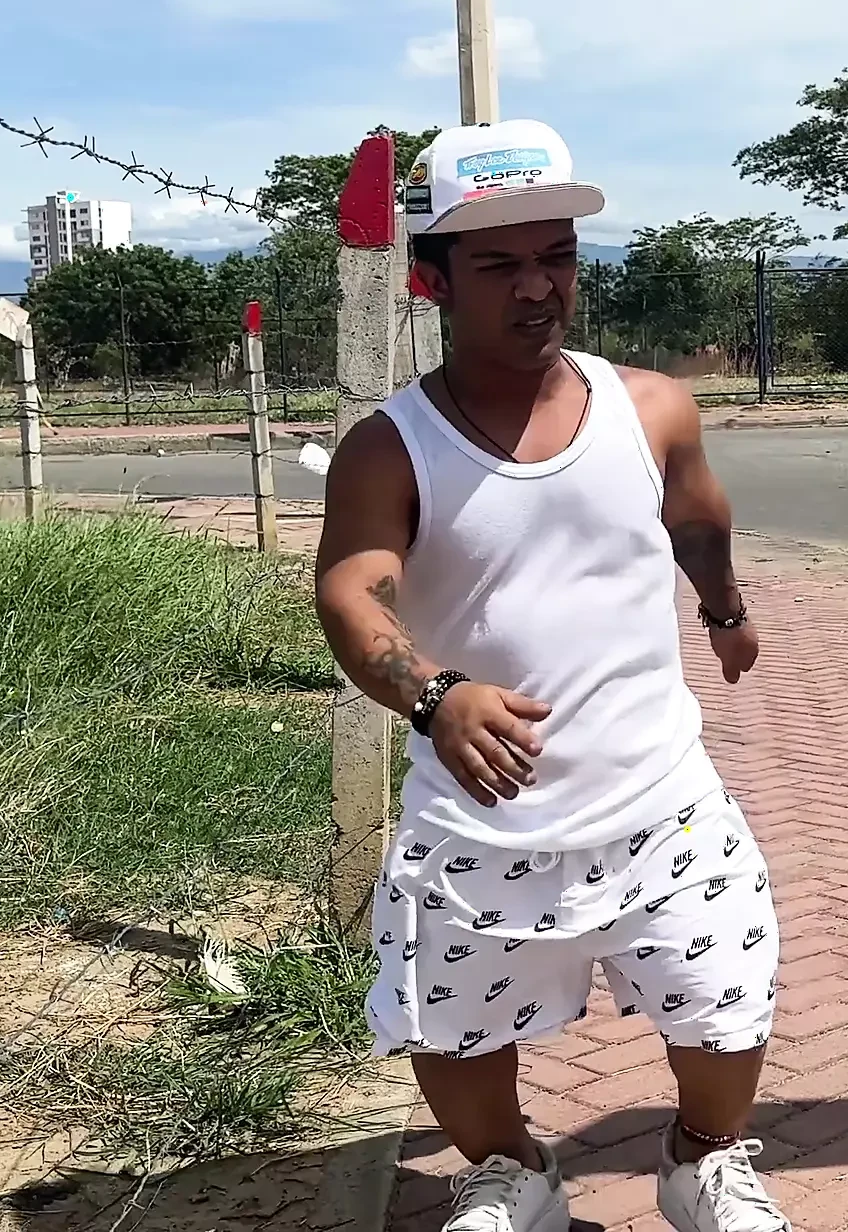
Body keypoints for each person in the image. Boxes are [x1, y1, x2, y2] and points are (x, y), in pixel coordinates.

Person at [315, 119, 792, 1232]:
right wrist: (435, 696)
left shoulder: (652, 407)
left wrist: (724, 610)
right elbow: (351, 592)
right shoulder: (392, 447)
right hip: (479, 821)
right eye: (499, 265)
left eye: (556, 258)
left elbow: (696, 517)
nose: (538, 287)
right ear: (433, 281)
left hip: (659, 801)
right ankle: (512, 1174)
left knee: (725, 1011)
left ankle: (701, 1164)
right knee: (453, 1039)